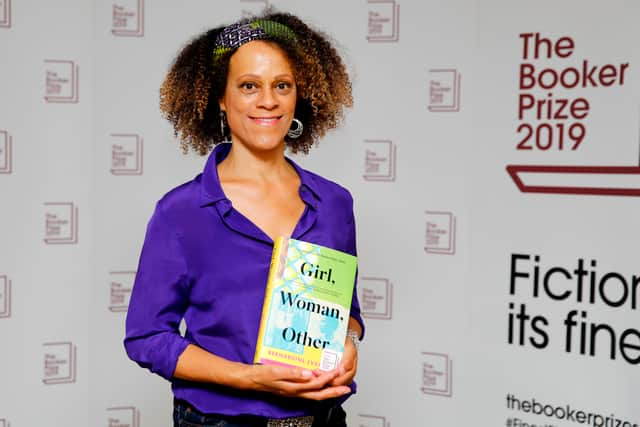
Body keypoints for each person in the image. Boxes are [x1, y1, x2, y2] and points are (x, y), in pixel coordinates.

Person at [123, 11, 365, 427]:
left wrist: (347, 342)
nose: (267, 100)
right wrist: (250, 378)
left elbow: (348, 311)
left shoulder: (335, 203)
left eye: (282, 85)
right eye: (249, 86)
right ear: (221, 96)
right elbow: (147, 338)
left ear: (298, 95)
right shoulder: (181, 212)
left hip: (324, 418)